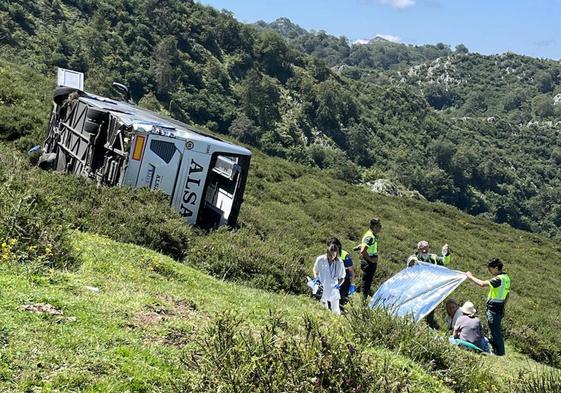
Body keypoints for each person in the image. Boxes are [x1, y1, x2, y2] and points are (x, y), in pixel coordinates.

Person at [465, 258, 511, 356]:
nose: (489, 271)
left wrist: (470, 277)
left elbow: (482, 284)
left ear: (496, 268)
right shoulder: (506, 278)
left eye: (490, 269)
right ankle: (495, 350)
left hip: (494, 308)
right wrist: (503, 306)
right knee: (494, 329)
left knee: (495, 331)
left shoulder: (498, 279)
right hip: (500, 307)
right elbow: (507, 294)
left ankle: (499, 353)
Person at [407, 240, 451, 329]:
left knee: (431, 305)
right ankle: (413, 322)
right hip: (418, 287)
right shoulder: (414, 258)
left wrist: (446, 253)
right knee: (417, 304)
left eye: (427, 248)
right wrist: (412, 263)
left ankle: (429, 324)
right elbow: (410, 266)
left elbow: (445, 261)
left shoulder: (433, 258)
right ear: (419, 249)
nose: (425, 251)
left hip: (431, 287)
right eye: (423, 249)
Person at [313, 239, 346, 315]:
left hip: (333, 289)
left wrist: (338, 285)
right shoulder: (320, 259)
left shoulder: (340, 263)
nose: (332, 257)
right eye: (330, 255)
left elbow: (342, 277)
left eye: (334, 255)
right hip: (322, 288)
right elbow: (315, 270)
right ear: (327, 252)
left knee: (336, 311)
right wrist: (316, 279)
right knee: (323, 310)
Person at [359, 217, 382, 299]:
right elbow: (363, 251)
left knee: (368, 282)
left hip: (369, 261)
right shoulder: (370, 236)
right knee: (366, 282)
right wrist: (371, 260)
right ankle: (363, 301)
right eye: (379, 226)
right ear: (375, 226)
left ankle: (364, 299)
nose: (380, 228)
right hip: (368, 262)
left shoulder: (372, 235)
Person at [330, 238, 356, 308]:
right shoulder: (328, 254)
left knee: (342, 301)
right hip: (332, 280)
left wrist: (352, 284)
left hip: (344, 281)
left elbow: (352, 272)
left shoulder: (345, 255)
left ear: (338, 246)